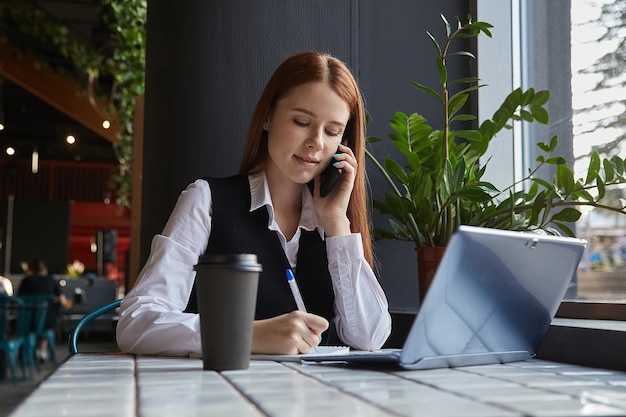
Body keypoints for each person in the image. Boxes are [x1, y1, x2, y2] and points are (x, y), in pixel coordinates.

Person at [116, 51, 392, 356]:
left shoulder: (329, 224)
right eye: (302, 121)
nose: (317, 142)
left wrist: (338, 223)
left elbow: (370, 338)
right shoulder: (207, 201)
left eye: (332, 131)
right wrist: (245, 334)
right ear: (267, 117)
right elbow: (135, 323)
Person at [18, 258, 72, 362]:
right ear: (44, 269)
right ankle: (42, 351)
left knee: (31, 322)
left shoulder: (26, 281)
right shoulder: (50, 280)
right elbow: (63, 300)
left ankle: (30, 352)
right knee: (45, 322)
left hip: (28, 322)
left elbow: (19, 300)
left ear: (31, 270)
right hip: (48, 322)